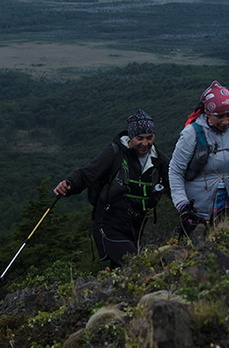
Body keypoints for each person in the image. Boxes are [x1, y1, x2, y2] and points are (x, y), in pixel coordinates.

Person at [53, 109, 169, 268]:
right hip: (109, 224)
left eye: (150, 138)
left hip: (136, 227)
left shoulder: (159, 160)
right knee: (135, 264)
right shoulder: (114, 154)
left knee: (123, 270)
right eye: (139, 138)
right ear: (131, 137)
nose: (145, 143)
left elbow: (173, 185)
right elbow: (87, 173)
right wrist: (69, 183)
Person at [169, 81, 229, 237]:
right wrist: (182, 205)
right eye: (219, 116)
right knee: (199, 250)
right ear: (208, 113)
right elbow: (175, 171)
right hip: (197, 209)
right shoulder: (191, 134)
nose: (225, 121)